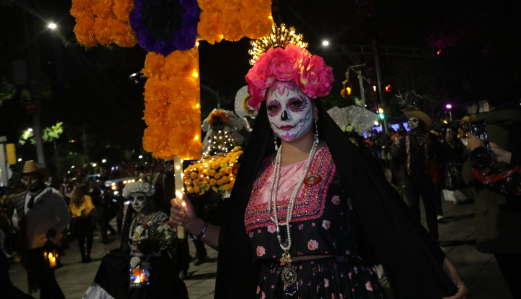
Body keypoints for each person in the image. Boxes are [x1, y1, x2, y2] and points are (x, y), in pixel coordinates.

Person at [171, 43, 467, 299]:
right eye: (273, 108)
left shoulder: (342, 159)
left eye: (295, 103)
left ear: (314, 106)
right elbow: (238, 245)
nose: (284, 115)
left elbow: (392, 221)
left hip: (338, 288)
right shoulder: (257, 174)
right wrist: (196, 225)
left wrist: (442, 267)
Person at [461, 75, 521, 298]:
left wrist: (476, 152)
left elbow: (474, 176)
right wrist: (509, 156)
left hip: (502, 220)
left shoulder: (486, 128)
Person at [83, 181, 188, 299]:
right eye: (132, 199)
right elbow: (130, 243)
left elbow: (167, 241)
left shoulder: (160, 217)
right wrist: (115, 253)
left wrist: (147, 245)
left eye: (140, 198)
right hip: (136, 265)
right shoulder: (135, 218)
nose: (135, 203)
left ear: (148, 198)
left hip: (156, 266)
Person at [11, 160, 69, 299]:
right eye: (26, 178)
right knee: (43, 280)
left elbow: (65, 217)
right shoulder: (20, 199)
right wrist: (18, 222)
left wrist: (55, 230)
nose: (29, 182)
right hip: (29, 247)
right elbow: (14, 217)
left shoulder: (51, 194)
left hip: (48, 244)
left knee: (47, 279)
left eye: (33, 177)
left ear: (40, 178)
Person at [391, 110, 445, 241]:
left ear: (420, 123)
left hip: (426, 178)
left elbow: (442, 154)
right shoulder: (404, 140)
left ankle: (433, 235)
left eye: (414, 120)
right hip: (410, 179)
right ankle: (418, 237)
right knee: (413, 209)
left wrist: (430, 143)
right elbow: (397, 159)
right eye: (409, 121)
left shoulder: (429, 138)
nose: (411, 123)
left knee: (430, 209)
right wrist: (393, 149)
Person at [440, 126, 473, 205]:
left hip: (459, 163)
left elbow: (463, 151)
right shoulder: (443, 143)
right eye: (448, 132)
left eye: (451, 132)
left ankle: (466, 197)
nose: (450, 134)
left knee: (462, 180)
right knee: (452, 182)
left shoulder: (457, 141)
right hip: (449, 165)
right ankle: (455, 199)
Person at [69, 184, 96, 263]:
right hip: (85, 220)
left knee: (80, 239)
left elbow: (70, 211)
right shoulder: (86, 197)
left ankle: (82, 255)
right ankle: (88, 254)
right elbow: (91, 208)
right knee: (89, 237)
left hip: (76, 221)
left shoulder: (73, 199)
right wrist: (93, 216)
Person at [90, 176, 116, 243]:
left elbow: (107, 194)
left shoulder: (103, 186)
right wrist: (99, 196)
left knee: (105, 221)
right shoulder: (94, 188)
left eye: (103, 181)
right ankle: (105, 238)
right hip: (99, 207)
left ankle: (110, 233)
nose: (102, 182)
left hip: (104, 206)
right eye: (101, 181)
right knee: (102, 222)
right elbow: (91, 198)